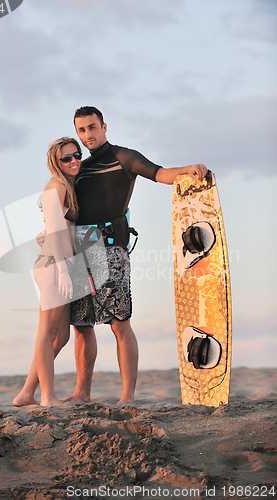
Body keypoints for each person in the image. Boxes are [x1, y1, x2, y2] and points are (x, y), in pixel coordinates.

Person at [36, 107, 207, 405]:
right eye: (81, 130)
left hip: (111, 249)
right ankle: (82, 393)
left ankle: (127, 396)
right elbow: (65, 211)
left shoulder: (124, 157)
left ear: (104, 126)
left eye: (92, 127)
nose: (87, 135)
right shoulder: (79, 168)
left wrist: (187, 169)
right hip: (79, 250)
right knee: (82, 326)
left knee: (118, 321)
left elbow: (159, 173)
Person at [13, 137, 82, 407]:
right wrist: (63, 270)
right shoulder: (56, 185)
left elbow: (54, 227)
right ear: (56, 162)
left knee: (62, 336)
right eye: (67, 158)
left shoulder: (67, 187)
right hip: (54, 266)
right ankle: (48, 397)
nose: (74, 160)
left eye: (77, 155)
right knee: (47, 333)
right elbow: (55, 229)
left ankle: (26, 393)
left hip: (60, 264)